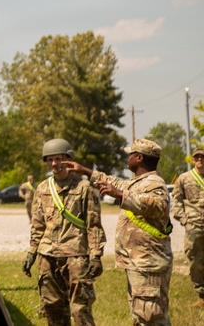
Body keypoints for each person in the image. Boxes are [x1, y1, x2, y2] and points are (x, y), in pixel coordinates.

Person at [64, 139, 173, 325]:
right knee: (141, 314)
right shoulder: (137, 182)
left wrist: (121, 195)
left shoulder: (155, 183)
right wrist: (86, 171)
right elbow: (114, 182)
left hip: (148, 263)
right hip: (138, 261)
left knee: (151, 316)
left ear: (139, 158)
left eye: (130, 154)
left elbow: (159, 206)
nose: (127, 157)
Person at [22, 139, 104, 325]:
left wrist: (96, 255)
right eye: (50, 160)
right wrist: (31, 252)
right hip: (47, 256)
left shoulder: (84, 188)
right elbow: (38, 225)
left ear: (68, 159)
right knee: (52, 308)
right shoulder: (42, 188)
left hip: (76, 256)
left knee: (80, 309)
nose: (54, 164)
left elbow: (94, 225)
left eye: (58, 159)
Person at [171, 146, 204, 309]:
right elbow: (176, 201)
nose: (200, 160)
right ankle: (202, 295)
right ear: (193, 160)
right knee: (195, 261)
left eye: (202, 157)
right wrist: (184, 219)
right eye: (197, 157)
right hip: (194, 227)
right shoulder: (184, 178)